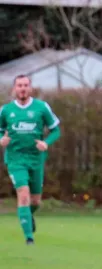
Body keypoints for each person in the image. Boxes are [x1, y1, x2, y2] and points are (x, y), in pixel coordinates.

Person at [0, 75, 61, 245]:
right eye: (19, 85)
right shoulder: (6, 111)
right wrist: (1, 140)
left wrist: (46, 143)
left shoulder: (41, 108)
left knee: (35, 201)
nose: (23, 88)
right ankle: (29, 238)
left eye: (26, 85)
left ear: (30, 88)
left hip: (36, 159)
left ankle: (28, 215)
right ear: (14, 88)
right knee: (23, 194)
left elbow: (56, 130)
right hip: (15, 159)